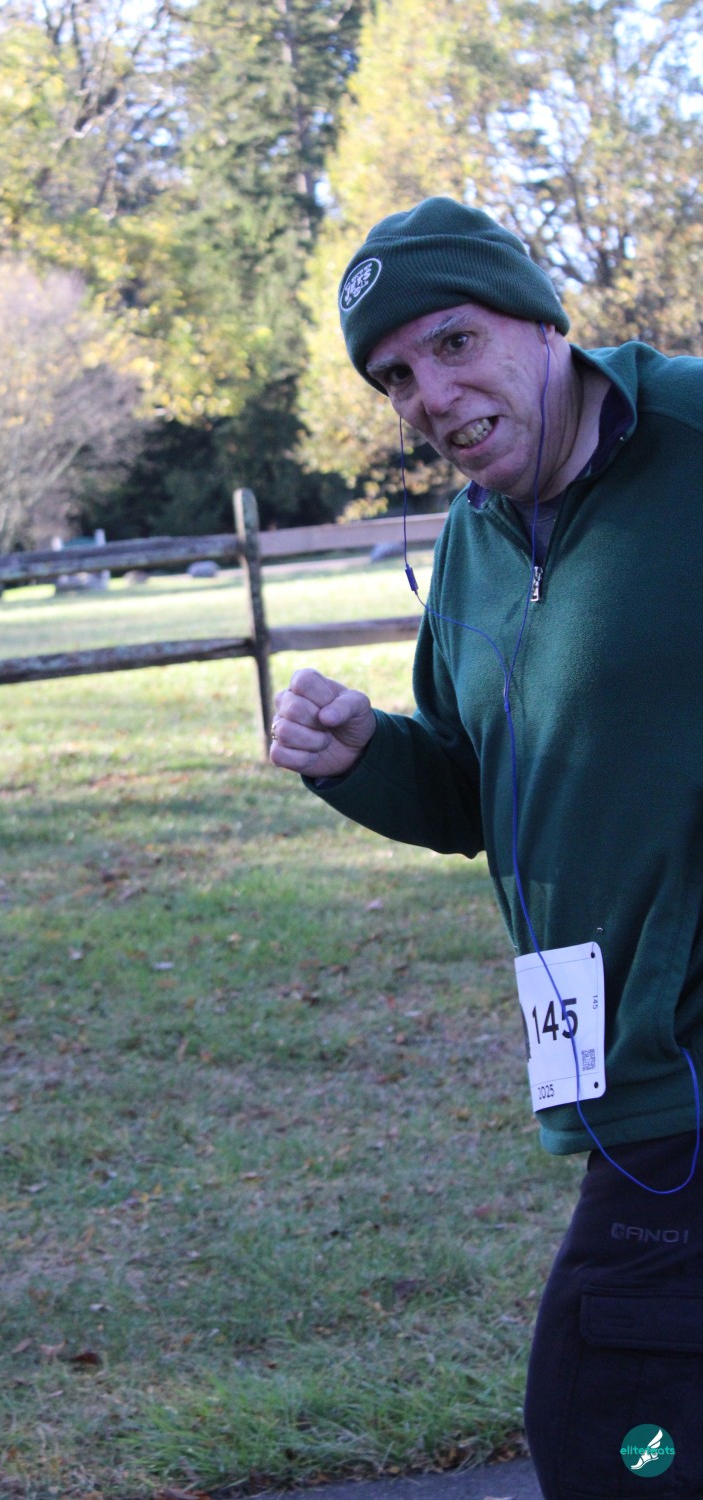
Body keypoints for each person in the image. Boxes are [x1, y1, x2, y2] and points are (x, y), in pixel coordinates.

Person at [269, 197, 703, 1499]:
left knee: (606, 1428)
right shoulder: (473, 540)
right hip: (614, 1067)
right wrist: (362, 757)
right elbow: (478, 794)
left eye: (455, 343)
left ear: (543, 322)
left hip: (688, 1064)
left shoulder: (691, 435)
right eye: (396, 376)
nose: (430, 395)